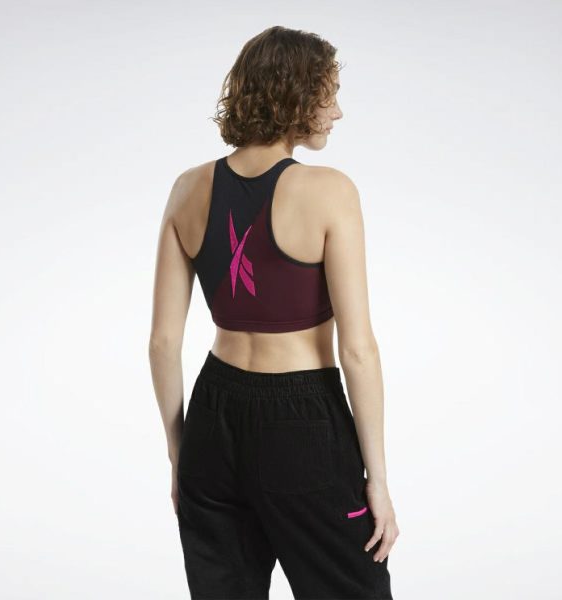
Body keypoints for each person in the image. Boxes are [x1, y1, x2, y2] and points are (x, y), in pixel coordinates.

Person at [149, 25, 398, 600]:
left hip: (212, 419)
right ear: (295, 95)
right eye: (329, 95)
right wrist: (378, 481)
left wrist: (181, 456)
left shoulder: (187, 189)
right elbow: (358, 349)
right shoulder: (330, 191)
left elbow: (162, 343)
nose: (337, 112)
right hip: (301, 421)